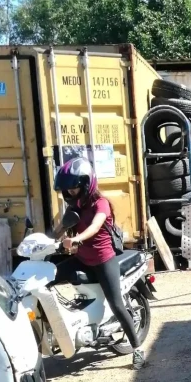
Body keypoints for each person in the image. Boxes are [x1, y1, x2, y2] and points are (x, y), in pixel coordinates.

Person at [51, 157, 145, 370]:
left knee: (117, 305)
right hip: (82, 259)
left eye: (73, 189)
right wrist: (47, 241)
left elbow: (95, 226)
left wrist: (76, 239)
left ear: (86, 184)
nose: (70, 193)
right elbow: (59, 229)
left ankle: (138, 349)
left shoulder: (100, 204)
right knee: (49, 275)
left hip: (104, 260)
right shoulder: (75, 206)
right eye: (67, 190)